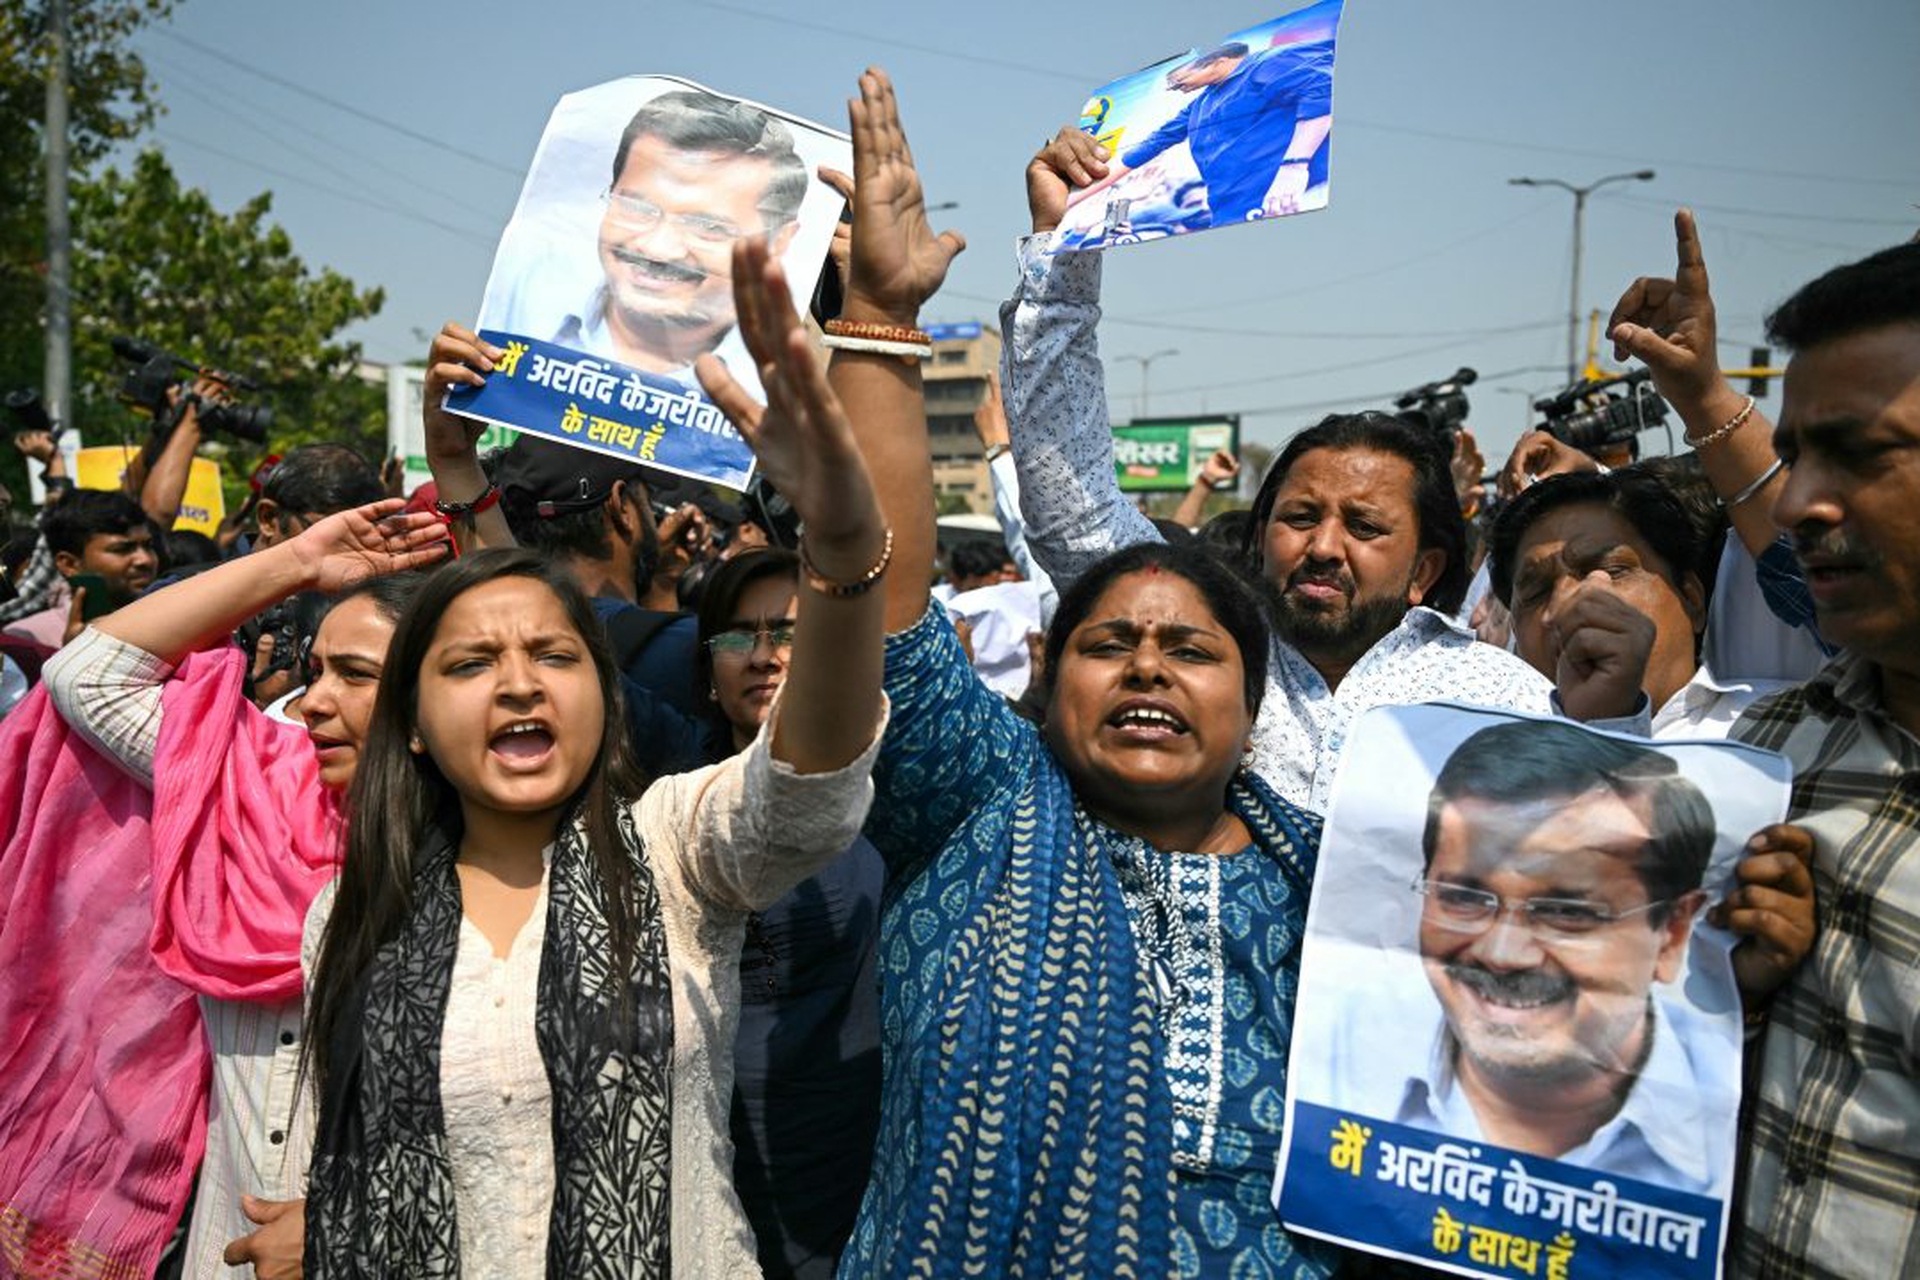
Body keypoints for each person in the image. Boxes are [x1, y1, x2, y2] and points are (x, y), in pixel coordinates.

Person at [808, 66, 1337, 1278]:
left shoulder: (1339, 883)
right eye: (1109, 643)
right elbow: (887, 606)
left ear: (1255, 703)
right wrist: (881, 321)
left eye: (1191, 648)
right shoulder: (979, 804)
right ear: (1048, 678)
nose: (1148, 665)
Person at [299, 194, 891, 1274]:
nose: (519, 684)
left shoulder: (675, 851)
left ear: (607, 698)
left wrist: (843, 553)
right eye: (470, 665)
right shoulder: (347, 917)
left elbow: (809, 777)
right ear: (413, 726)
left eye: (556, 657)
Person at [1004, 132, 1582, 811]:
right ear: (1261, 535)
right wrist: (1064, 248)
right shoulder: (1202, 654)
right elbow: (1075, 512)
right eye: (1301, 517)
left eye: (1364, 527)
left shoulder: (1504, 700)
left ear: (1424, 570)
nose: (1324, 547)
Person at [31, 501, 448, 1279]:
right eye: (315, 671)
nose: (314, 700)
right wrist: (296, 563)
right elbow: (87, 675)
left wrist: (335, 1225)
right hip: (227, 1252)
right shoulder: (250, 790)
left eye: (356, 675)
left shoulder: (498, 862)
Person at [1722, 240, 1920, 1279]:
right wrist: (1732, 995)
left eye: (1858, 452)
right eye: (1795, 455)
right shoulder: (1760, 761)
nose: (1799, 503)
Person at [1323, 721, 1736, 1196]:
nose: (1503, 955)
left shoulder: (1738, 1112)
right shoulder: (1334, 1048)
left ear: (1672, 933)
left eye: (1565, 912)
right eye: (1464, 898)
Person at [695, 548, 884, 1279]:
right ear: (707, 672)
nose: (763, 656)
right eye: (737, 636)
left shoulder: (898, 788)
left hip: (856, 1176)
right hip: (717, 1172)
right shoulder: (677, 801)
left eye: (790, 633)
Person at [490, 87, 808, 382]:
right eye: (637, 208)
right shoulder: (522, 291)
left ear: (778, 242)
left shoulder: (791, 387)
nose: (658, 249)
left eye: (709, 227)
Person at [1488, 468, 1792, 738]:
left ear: (1691, 599)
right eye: (1537, 592)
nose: (1563, 606)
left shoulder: (1779, 728)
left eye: (1609, 570)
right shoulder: (1487, 762)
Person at [1066, 38, 1333, 225]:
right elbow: (1145, 149)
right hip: (1231, 213)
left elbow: (1320, 94)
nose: (1172, 87)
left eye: (1176, 78)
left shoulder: (1268, 62)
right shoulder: (1198, 106)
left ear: (1217, 60)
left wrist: (1294, 167)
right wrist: (1070, 201)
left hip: (1289, 197)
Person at [1, 488, 158, 654]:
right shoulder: (26, 640)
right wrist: (74, 656)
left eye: (148, 546)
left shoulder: (170, 621)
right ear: (69, 564)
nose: (145, 560)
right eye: (122, 549)